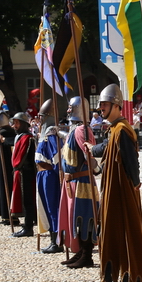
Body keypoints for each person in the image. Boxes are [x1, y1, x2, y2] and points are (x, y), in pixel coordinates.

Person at [93, 83, 142, 282]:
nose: (101, 109)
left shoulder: (123, 129)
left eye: (104, 105)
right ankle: (123, 276)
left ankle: (132, 280)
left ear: (116, 105)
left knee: (127, 234)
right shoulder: (114, 128)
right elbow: (107, 153)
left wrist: (134, 184)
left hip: (123, 190)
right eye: (100, 106)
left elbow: (130, 160)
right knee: (116, 233)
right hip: (115, 190)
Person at [58, 96, 99, 268]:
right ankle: (80, 252)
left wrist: (96, 169)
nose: (68, 110)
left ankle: (87, 255)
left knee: (85, 218)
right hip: (73, 182)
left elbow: (89, 154)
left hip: (83, 182)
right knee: (75, 218)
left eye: (70, 107)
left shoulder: (82, 129)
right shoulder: (74, 130)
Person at [35, 99, 64, 254]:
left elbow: (57, 157)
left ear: (47, 116)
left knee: (53, 208)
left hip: (49, 176)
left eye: (41, 116)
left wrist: (58, 173)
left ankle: (56, 242)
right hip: (42, 175)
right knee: (46, 208)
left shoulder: (52, 133)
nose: (39, 119)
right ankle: (53, 238)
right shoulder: (45, 133)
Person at [8, 112, 37, 238]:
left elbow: (22, 158)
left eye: (16, 123)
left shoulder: (27, 138)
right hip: (21, 172)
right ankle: (27, 225)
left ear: (23, 124)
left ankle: (28, 227)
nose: (14, 126)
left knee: (28, 201)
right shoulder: (21, 137)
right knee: (24, 200)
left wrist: (16, 166)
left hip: (26, 172)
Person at [0, 111, 16, 226]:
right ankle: (7, 216)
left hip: (8, 167)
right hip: (4, 168)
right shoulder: (3, 134)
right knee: (4, 188)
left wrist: (4, 142)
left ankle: (10, 216)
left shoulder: (7, 134)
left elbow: (13, 146)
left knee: (7, 187)